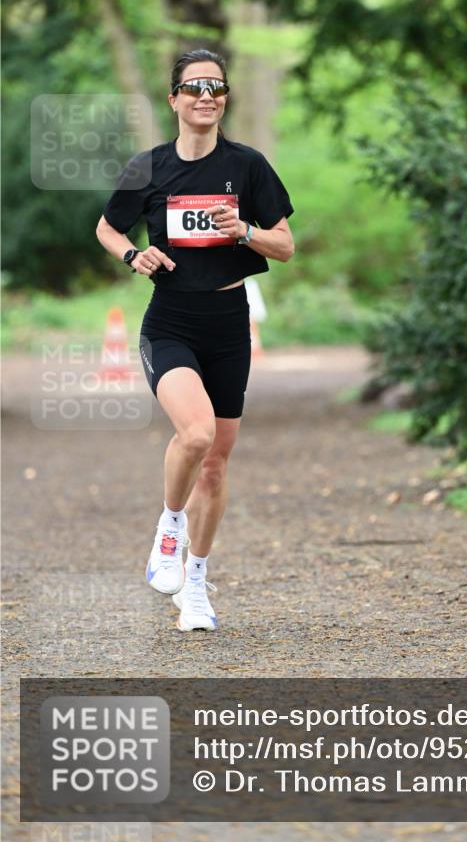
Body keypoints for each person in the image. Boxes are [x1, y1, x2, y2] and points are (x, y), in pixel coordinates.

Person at [96, 48, 295, 632]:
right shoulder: (149, 167)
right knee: (197, 434)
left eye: (216, 86)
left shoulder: (248, 165)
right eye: (194, 87)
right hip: (171, 322)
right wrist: (134, 254)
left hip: (229, 322)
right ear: (174, 99)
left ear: (225, 97)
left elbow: (284, 244)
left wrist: (247, 231)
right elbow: (108, 228)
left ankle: (198, 585)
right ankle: (168, 524)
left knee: (216, 466)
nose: (206, 96)